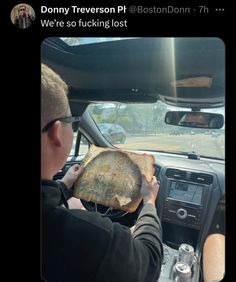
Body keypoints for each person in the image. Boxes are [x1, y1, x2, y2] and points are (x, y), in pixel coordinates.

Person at [41, 63, 163, 282]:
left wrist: (64, 185)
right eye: (73, 122)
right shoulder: (96, 238)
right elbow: (151, 263)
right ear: (56, 132)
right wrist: (150, 202)